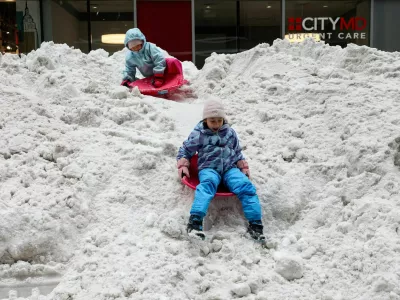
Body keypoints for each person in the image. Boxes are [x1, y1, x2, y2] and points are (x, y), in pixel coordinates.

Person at [176, 99, 265, 241]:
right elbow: (185, 150)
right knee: (207, 185)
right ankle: (195, 222)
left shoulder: (230, 133)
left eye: (219, 120)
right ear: (205, 120)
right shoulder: (199, 134)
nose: (216, 124)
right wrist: (183, 165)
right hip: (209, 168)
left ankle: (256, 225)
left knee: (246, 186)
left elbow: (237, 152)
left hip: (230, 168)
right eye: (212, 121)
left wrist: (243, 166)